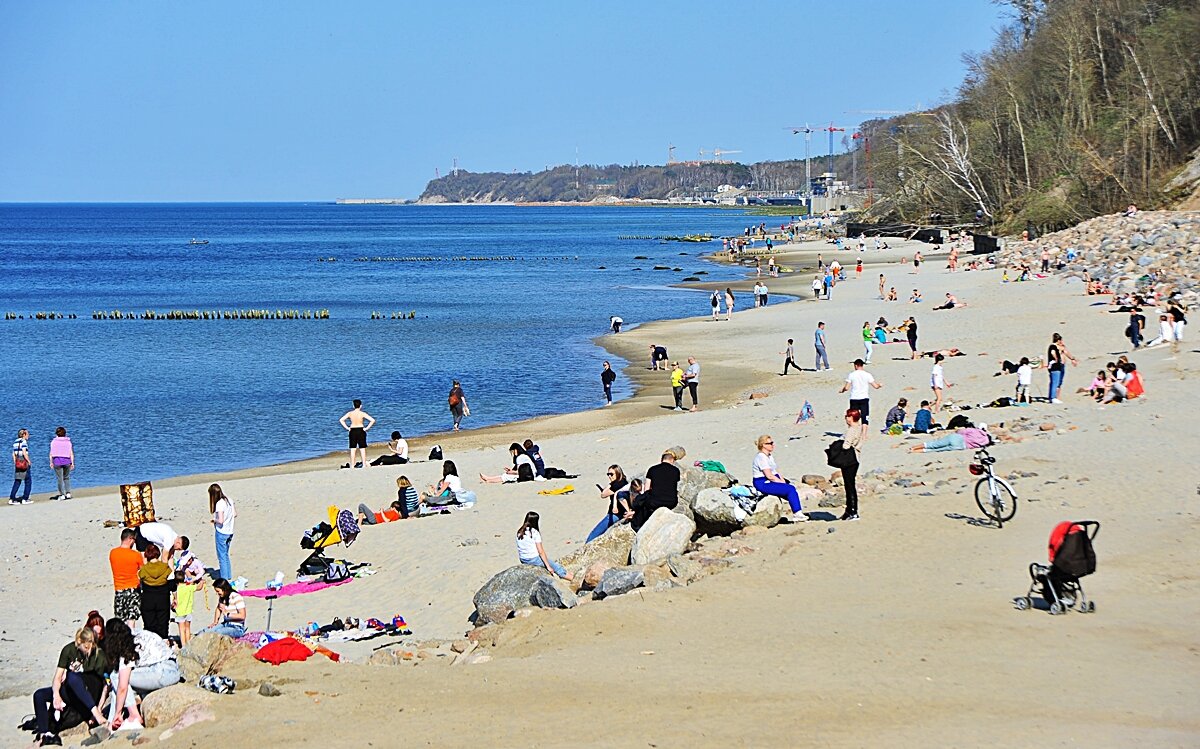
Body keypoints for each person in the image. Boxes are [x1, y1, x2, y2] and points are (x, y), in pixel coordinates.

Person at [30, 627, 109, 747]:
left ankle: (95, 713)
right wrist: (56, 695)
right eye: (86, 648)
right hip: (71, 689)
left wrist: (98, 709)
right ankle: (44, 733)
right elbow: (57, 677)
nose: (88, 651)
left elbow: (105, 686)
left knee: (72, 676)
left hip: (90, 688)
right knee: (39, 695)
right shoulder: (69, 650)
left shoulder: (99, 655)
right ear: (79, 642)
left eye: (91, 647)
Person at [751, 435, 805, 522]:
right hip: (762, 483)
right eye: (769, 443)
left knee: (790, 487)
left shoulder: (769, 456)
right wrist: (780, 482)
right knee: (790, 489)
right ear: (763, 445)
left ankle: (798, 511)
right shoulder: (761, 457)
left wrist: (782, 480)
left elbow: (775, 471)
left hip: (770, 479)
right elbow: (769, 475)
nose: (772, 445)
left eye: (772, 443)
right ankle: (797, 513)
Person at [629, 451, 680, 531]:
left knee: (642, 500)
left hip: (655, 502)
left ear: (661, 459)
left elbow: (647, 489)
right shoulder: (676, 471)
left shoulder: (652, 469)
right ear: (672, 460)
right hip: (672, 502)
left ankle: (636, 524)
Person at [516, 511, 573, 580]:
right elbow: (541, 551)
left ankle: (568, 574)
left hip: (523, 559)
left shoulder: (520, 531)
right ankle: (571, 578)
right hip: (533, 559)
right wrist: (548, 566)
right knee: (557, 567)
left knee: (553, 564)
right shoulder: (534, 532)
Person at [171, 537, 206, 647]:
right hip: (189, 611)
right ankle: (188, 644)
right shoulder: (188, 587)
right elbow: (199, 588)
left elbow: (174, 600)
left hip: (180, 612)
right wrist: (201, 582)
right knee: (187, 628)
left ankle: (183, 644)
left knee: (181, 629)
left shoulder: (176, 589)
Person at [137, 545, 175, 640]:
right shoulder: (166, 568)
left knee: (149, 626)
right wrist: (175, 598)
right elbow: (172, 586)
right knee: (163, 624)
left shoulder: (143, 570)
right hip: (163, 600)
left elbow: (139, 585)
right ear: (158, 554)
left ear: (146, 555)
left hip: (147, 600)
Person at [587, 465, 631, 542]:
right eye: (608, 474)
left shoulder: (616, 484)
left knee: (594, 534)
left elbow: (603, 494)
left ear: (618, 473)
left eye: (611, 474)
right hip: (622, 512)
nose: (609, 476)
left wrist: (610, 485)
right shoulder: (624, 482)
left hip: (615, 514)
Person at [110, 529, 143, 628]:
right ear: (130, 539)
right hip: (133, 589)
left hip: (119, 589)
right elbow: (142, 571)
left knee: (120, 619)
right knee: (131, 618)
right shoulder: (136, 555)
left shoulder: (113, 553)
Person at [840, 409, 866, 521]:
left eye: (847, 416)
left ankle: (853, 511)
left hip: (850, 460)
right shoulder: (860, 428)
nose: (845, 418)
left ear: (851, 417)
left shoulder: (852, 430)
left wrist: (840, 444)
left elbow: (846, 446)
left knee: (849, 486)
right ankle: (848, 511)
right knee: (850, 485)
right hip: (856, 459)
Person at [839, 359, 882, 425]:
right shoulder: (867, 374)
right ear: (862, 365)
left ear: (856, 366)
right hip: (864, 398)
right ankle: (864, 434)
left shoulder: (852, 374)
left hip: (854, 398)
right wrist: (880, 385)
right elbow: (875, 386)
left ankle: (854, 432)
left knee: (854, 417)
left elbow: (847, 388)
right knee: (865, 417)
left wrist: (842, 390)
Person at [209, 483, 236, 581]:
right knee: (225, 555)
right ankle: (228, 576)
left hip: (222, 532)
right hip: (230, 531)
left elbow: (221, 520)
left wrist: (214, 520)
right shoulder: (229, 500)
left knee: (222, 556)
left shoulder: (219, 504)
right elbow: (235, 514)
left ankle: (224, 578)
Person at [339, 399, 375, 469]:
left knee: (353, 448)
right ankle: (364, 464)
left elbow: (341, 420)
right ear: (360, 406)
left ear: (353, 406)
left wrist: (347, 428)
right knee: (362, 448)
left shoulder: (350, 413)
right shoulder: (362, 413)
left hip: (352, 430)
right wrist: (366, 428)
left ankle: (352, 465)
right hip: (360, 430)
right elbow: (372, 420)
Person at [1044, 332, 1078, 403]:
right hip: (1056, 366)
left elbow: (1066, 352)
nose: (1062, 342)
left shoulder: (1061, 347)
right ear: (1058, 340)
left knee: (1059, 382)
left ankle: (1056, 397)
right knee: (1055, 382)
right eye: (1061, 340)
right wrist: (1056, 358)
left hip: (1061, 365)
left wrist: (1072, 359)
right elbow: (1053, 353)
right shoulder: (1053, 346)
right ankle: (1053, 397)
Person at [910, 424, 992, 452]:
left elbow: (961, 431)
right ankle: (915, 452)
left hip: (958, 438)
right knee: (936, 450)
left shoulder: (975, 430)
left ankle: (913, 448)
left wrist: (956, 431)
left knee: (934, 444)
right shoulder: (985, 442)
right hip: (961, 446)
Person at [48, 426, 74, 501]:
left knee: (60, 479)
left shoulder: (53, 442)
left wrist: (51, 462)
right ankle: (68, 493)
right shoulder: (68, 442)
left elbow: (51, 453)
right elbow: (71, 453)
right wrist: (72, 462)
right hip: (67, 461)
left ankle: (62, 494)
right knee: (66, 477)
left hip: (57, 461)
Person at [10, 427, 31, 505]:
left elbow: (13, 454)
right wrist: (29, 461)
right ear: (24, 435)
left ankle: (12, 498)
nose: (28, 435)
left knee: (17, 480)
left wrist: (15, 462)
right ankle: (25, 498)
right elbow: (24, 453)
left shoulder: (15, 442)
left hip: (18, 461)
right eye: (27, 434)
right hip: (23, 461)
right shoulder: (24, 442)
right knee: (28, 480)